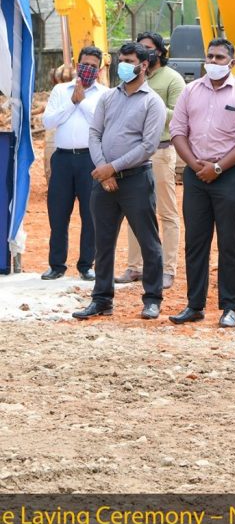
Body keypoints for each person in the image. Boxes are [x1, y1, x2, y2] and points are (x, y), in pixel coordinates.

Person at [168, 38, 235, 328]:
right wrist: (194, 164)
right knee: (195, 242)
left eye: (220, 57)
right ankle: (194, 305)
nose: (213, 61)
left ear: (231, 63)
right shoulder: (190, 91)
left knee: (229, 242)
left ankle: (230, 306)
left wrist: (219, 167)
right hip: (196, 174)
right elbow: (177, 130)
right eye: (210, 56)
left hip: (230, 175)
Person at [72, 42, 166, 321]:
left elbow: (148, 146)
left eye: (129, 60)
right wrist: (104, 170)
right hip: (104, 182)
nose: (122, 65)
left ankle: (152, 299)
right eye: (121, 59)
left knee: (148, 242)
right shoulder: (108, 97)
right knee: (103, 243)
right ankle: (101, 299)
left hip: (136, 180)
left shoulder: (152, 102)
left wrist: (111, 167)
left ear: (144, 65)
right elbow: (94, 133)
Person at [118, 31, 185, 290]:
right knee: (134, 210)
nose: (143, 51)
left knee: (166, 212)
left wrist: (148, 103)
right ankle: (134, 266)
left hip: (160, 151)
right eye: (139, 47)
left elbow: (178, 116)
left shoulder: (172, 79)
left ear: (159, 51)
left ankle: (168, 269)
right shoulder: (130, 79)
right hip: (132, 153)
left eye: (148, 47)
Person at [42, 46, 107, 281]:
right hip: (62, 159)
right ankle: (56, 265)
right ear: (77, 65)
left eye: (93, 66)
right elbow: (48, 121)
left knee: (90, 214)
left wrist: (82, 102)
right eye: (84, 64)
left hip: (90, 160)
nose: (88, 69)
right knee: (58, 213)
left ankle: (86, 265)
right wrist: (71, 102)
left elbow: (101, 124)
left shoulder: (104, 94)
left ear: (99, 70)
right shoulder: (61, 90)